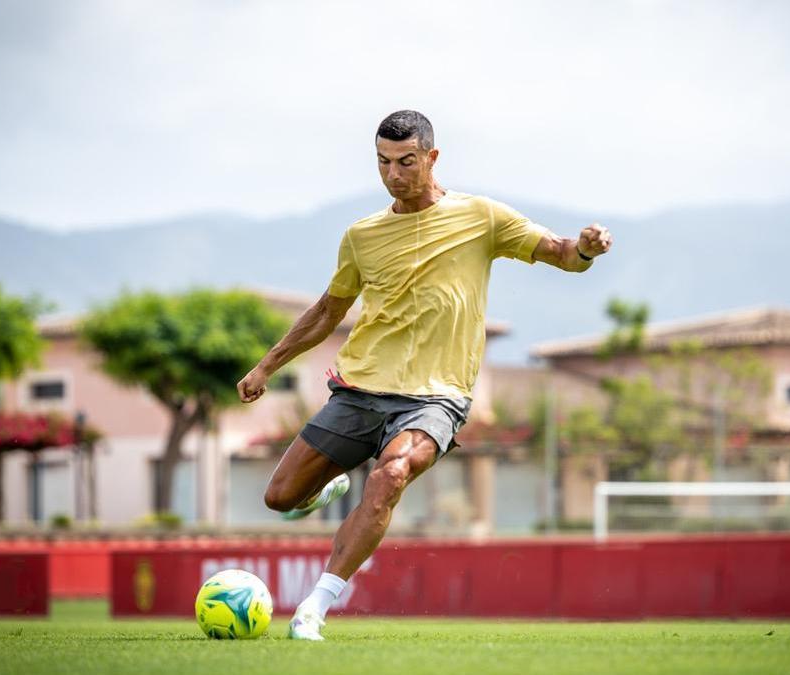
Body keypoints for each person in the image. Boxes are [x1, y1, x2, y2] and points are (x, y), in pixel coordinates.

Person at [236, 110, 612, 640]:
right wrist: (266, 366)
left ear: (432, 158)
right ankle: (329, 487)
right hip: (361, 389)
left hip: (435, 398)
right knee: (279, 498)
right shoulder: (362, 235)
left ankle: (313, 608)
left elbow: (562, 254)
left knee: (389, 476)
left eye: (406, 162)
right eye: (383, 163)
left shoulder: (481, 216)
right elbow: (326, 312)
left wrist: (587, 251)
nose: (393, 174)